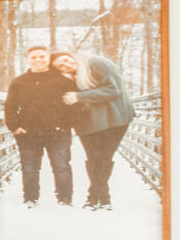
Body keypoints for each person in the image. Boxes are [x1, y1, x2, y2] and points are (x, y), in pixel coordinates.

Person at [58, 48, 135, 210]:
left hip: (115, 119)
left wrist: (79, 96)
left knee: (104, 157)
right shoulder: (68, 79)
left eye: (65, 60)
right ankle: (100, 198)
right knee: (93, 158)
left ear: (71, 54)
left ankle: (97, 198)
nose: (65, 65)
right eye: (60, 67)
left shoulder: (96, 63)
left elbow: (114, 89)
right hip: (88, 123)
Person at [2, 43, 74, 207]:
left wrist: (65, 124)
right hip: (28, 133)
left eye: (42, 56)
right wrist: (15, 127)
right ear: (27, 60)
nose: (38, 60)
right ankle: (31, 199)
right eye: (34, 57)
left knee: (61, 166)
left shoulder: (62, 80)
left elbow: (74, 105)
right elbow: (10, 106)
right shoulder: (19, 82)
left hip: (58, 132)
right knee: (29, 168)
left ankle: (65, 199)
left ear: (48, 58)